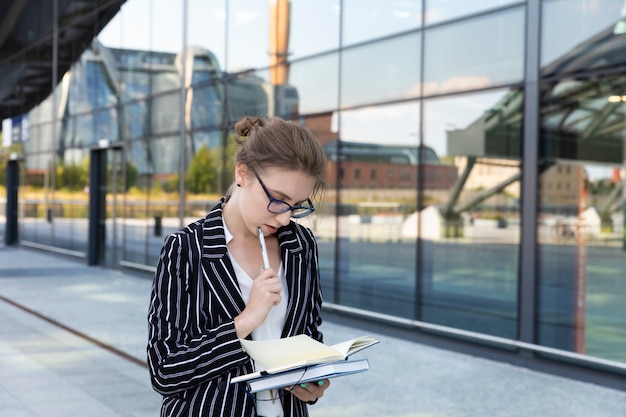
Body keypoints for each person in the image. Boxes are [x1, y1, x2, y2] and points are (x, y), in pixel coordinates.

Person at [147, 116, 330, 417]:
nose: (285, 218)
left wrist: (313, 380)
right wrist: (244, 322)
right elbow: (165, 371)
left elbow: (309, 332)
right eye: (278, 200)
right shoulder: (186, 249)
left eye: (297, 205)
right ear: (242, 173)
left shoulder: (301, 247)